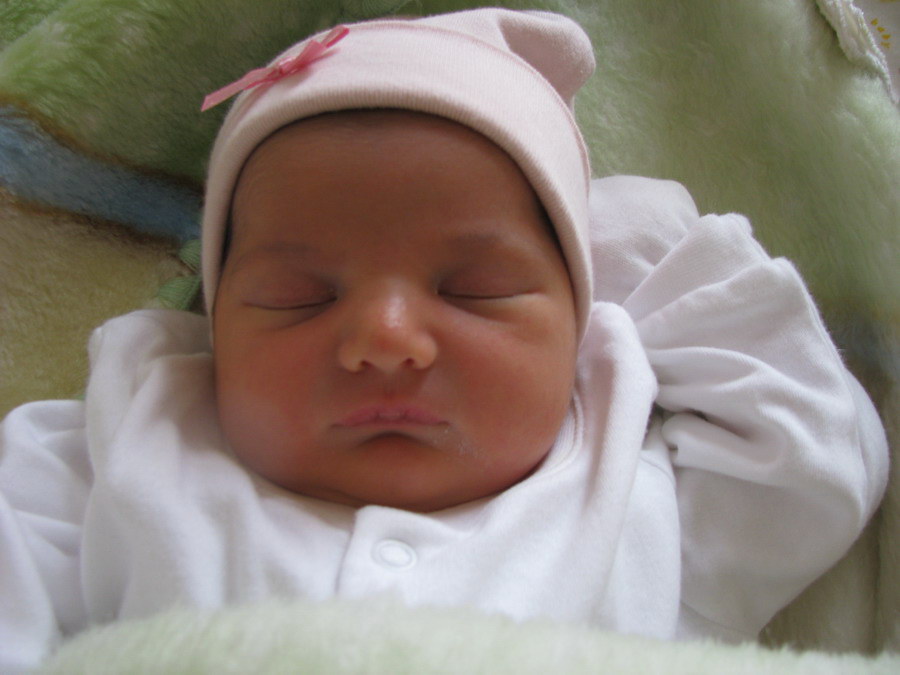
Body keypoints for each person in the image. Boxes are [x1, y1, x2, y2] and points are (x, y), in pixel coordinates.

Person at [0, 8, 889, 672]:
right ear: (214, 318)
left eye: (477, 288)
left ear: (578, 319)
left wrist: (637, 240)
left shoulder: (627, 490)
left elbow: (815, 450)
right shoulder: (136, 428)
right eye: (298, 297)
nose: (385, 339)